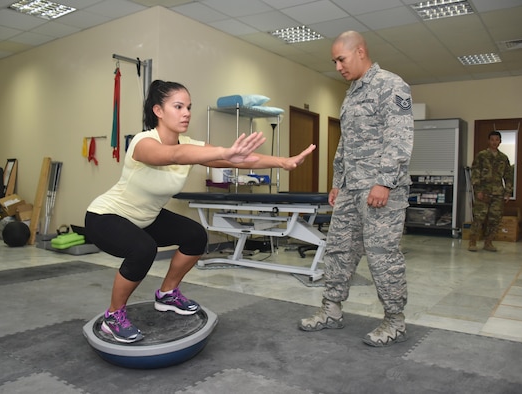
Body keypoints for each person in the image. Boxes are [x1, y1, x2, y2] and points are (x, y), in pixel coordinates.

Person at [85, 80, 316, 343]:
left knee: (195, 236)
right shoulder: (143, 142)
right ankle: (113, 316)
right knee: (142, 249)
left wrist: (282, 162)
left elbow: (238, 159)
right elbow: (176, 155)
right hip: (105, 216)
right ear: (159, 111)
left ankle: (168, 294)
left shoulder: (189, 144)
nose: (186, 112)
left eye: (189, 107)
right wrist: (221, 152)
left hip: (146, 216)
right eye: (178, 106)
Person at [298, 31, 414, 347]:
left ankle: (395, 320)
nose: (337, 66)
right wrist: (338, 183)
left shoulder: (391, 85)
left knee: (381, 257)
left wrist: (383, 181)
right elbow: (345, 144)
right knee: (338, 250)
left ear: (360, 51)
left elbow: (399, 139)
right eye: (334, 61)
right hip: (351, 190)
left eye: (341, 59)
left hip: (381, 191)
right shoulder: (351, 94)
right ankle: (331, 311)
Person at [468, 131, 513, 252]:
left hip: (498, 193)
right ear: (489, 141)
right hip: (483, 192)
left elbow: (508, 176)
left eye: (497, 140)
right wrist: (478, 190)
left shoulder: (503, 158)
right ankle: (472, 241)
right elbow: (475, 173)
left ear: (500, 141)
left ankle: (488, 242)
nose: (494, 142)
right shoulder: (481, 155)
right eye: (492, 139)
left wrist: (508, 192)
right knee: (479, 217)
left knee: (495, 219)